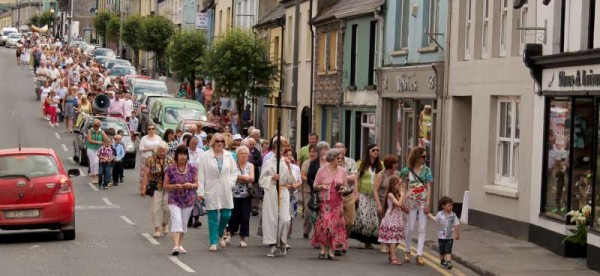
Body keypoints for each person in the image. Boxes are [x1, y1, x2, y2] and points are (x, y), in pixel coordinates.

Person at [197, 133, 239, 252]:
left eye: (221, 141)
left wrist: (231, 183)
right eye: (217, 141)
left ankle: (219, 234)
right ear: (213, 143)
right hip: (211, 188)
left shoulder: (229, 155)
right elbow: (201, 175)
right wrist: (200, 191)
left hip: (225, 189)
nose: (219, 143)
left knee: (227, 215)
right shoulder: (205, 156)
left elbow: (234, 172)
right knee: (213, 217)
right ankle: (213, 241)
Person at [259, 136, 296, 257]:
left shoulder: (286, 162)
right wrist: (272, 178)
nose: (280, 152)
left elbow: (292, 180)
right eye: (277, 150)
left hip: (283, 191)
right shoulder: (269, 162)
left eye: (282, 150)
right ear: (273, 150)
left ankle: (282, 242)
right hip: (272, 191)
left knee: (285, 219)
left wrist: (289, 167)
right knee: (272, 219)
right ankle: (273, 245)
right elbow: (261, 180)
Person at [311, 149, 348, 260]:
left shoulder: (343, 171)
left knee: (336, 228)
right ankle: (322, 250)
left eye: (341, 158)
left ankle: (331, 251)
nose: (340, 160)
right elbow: (315, 185)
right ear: (331, 158)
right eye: (338, 158)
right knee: (325, 226)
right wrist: (321, 187)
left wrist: (343, 189)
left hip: (338, 204)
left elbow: (345, 186)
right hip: (325, 203)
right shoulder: (322, 170)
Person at [164, 145, 199, 256]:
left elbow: (197, 184)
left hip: (188, 199)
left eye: (184, 154)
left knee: (183, 224)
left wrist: (190, 185)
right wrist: (175, 186)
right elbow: (166, 186)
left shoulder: (193, 168)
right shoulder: (170, 168)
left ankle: (179, 244)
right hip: (174, 199)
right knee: (177, 221)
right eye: (180, 154)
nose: (182, 156)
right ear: (176, 155)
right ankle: (175, 246)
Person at [401, 146, 432, 266]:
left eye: (426, 156)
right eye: (423, 156)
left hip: (423, 202)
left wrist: (428, 203)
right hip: (410, 202)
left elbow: (428, 188)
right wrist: (403, 203)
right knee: (410, 227)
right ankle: (408, 250)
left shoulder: (427, 171)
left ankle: (419, 254)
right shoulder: (406, 171)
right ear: (417, 156)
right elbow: (403, 189)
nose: (425, 158)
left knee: (422, 228)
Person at [352, 143, 383, 249]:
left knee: (373, 219)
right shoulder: (361, 163)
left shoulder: (381, 165)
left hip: (374, 195)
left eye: (377, 150)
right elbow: (356, 178)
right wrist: (356, 193)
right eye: (373, 150)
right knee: (364, 216)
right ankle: (362, 240)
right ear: (368, 152)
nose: (376, 152)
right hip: (363, 193)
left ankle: (369, 241)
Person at [141, 142, 173, 238]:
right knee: (155, 208)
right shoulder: (151, 159)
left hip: (168, 187)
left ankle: (164, 224)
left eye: (164, 151)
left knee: (167, 209)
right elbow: (146, 175)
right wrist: (143, 187)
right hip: (156, 186)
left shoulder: (170, 160)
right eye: (161, 151)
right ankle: (156, 229)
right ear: (157, 150)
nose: (162, 153)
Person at [226, 145, 255, 247]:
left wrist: (239, 177)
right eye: (241, 154)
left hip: (246, 195)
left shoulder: (250, 165)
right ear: (237, 155)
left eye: (245, 154)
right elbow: (231, 177)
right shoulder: (233, 165)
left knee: (245, 217)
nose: (243, 156)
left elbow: (252, 178)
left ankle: (242, 238)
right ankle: (229, 234)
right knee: (232, 216)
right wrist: (244, 178)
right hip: (233, 194)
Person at [373, 155, 401, 254]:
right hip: (383, 201)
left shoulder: (397, 174)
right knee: (383, 223)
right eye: (395, 163)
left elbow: (399, 188)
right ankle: (382, 245)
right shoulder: (381, 175)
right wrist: (378, 205)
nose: (397, 165)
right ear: (390, 165)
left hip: (394, 201)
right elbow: (375, 190)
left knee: (393, 224)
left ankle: (391, 245)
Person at [334, 142, 357, 254]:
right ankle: (338, 243)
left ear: (345, 150)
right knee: (338, 220)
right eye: (337, 148)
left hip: (348, 194)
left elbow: (354, 177)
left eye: (341, 148)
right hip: (336, 196)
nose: (339, 150)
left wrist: (342, 177)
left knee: (349, 222)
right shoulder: (332, 162)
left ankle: (344, 239)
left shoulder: (351, 162)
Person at [377, 176, 405, 265]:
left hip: (397, 217)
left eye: (401, 184)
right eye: (399, 184)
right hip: (391, 218)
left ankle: (391, 252)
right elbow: (398, 204)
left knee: (397, 238)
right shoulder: (390, 194)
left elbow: (401, 205)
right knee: (393, 238)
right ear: (393, 185)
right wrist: (403, 195)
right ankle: (393, 257)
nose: (400, 186)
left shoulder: (397, 193)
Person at [305, 141, 330, 239]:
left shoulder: (331, 162)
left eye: (327, 149)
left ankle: (324, 236)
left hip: (329, 193)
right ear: (319, 151)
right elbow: (309, 178)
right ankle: (317, 235)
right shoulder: (313, 163)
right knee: (316, 214)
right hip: (317, 193)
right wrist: (317, 186)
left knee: (326, 216)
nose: (326, 151)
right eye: (324, 149)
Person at [427, 196, 461, 270]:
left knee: (448, 249)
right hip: (441, 236)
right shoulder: (440, 214)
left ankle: (448, 262)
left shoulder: (453, 215)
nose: (451, 207)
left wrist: (457, 234)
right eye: (449, 205)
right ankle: (442, 261)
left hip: (449, 236)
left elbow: (456, 225)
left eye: (452, 205)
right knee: (442, 250)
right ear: (443, 206)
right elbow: (435, 219)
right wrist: (428, 214)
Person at [283, 148, 302, 240]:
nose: (288, 157)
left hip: (293, 193)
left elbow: (299, 181)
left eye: (290, 155)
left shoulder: (296, 168)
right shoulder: (281, 166)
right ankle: (282, 234)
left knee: (291, 214)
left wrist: (295, 186)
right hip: (283, 192)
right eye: (286, 155)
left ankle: (288, 233)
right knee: (283, 214)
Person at [139, 125, 163, 194]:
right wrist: (150, 149)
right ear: (147, 130)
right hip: (146, 158)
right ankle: (143, 188)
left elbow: (162, 147)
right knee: (144, 174)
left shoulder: (158, 138)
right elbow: (141, 148)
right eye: (149, 129)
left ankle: (151, 188)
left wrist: (157, 150)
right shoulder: (144, 138)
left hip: (155, 159)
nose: (151, 130)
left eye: (153, 129)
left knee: (153, 173)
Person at [301, 144, 317, 238]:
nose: (312, 153)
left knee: (317, 211)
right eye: (311, 151)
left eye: (314, 151)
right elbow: (302, 175)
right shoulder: (306, 163)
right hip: (308, 189)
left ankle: (317, 232)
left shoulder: (320, 163)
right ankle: (306, 230)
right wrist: (311, 181)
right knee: (308, 212)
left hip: (318, 191)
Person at [86, 119, 107, 184]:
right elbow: (89, 140)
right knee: (92, 162)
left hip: (98, 149)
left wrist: (105, 142)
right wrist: (97, 142)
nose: (96, 127)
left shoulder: (101, 132)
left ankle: (96, 175)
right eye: (95, 125)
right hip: (91, 148)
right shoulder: (90, 131)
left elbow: (106, 139)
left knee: (96, 162)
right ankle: (93, 175)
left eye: (98, 125)